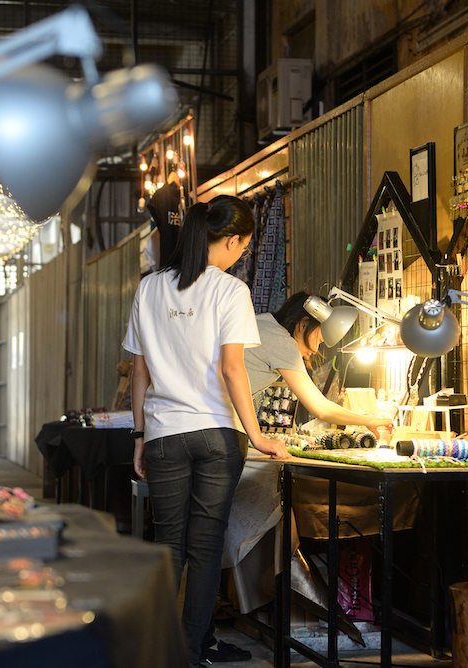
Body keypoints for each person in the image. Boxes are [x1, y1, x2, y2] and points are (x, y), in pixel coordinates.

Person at [123, 194, 289, 667]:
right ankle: (191, 654)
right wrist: (258, 436)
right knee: (205, 546)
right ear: (231, 240)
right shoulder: (230, 290)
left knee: (168, 544)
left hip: (163, 433)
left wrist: (139, 436)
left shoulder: (150, 288)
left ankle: (158, 651)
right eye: (244, 246)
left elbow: (139, 372)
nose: (242, 254)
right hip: (217, 434)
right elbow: (233, 369)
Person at [246, 291, 393, 436]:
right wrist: (369, 421)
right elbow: (321, 408)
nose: (315, 350)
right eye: (319, 340)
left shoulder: (265, 323)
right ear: (303, 325)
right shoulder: (283, 343)